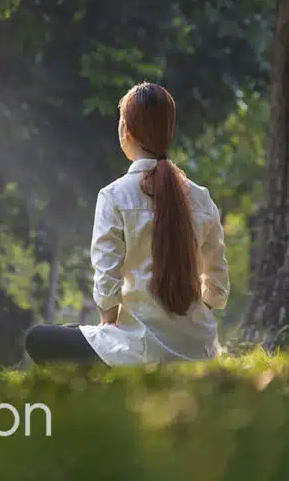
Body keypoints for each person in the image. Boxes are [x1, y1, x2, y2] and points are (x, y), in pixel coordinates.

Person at [23, 81, 230, 366]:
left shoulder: (114, 195)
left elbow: (107, 279)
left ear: (125, 131)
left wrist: (109, 323)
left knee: (39, 338)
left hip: (136, 350)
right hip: (198, 350)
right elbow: (217, 288)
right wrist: (187, 323)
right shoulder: (201, 197)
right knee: (73, 332)